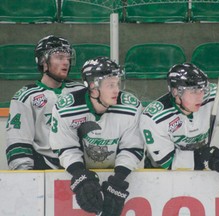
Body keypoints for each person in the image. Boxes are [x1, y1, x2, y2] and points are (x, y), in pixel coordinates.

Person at [49, 56, 144, 215]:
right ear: (93, 86)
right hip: (81, 172)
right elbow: (66, 148)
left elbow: (132, 148)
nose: (116, 90)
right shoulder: (66, 109)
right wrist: (80, 175)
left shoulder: (131, 107)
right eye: (110, 85)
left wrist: (119, 179)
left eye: (118, 83)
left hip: (123, 174)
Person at [140, 62, 219, 173]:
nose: (200, 97)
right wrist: (207, 159)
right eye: (193, 91)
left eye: (202, 90)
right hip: (159, 177)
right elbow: (168, 161)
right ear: (176, 92)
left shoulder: (214, 97)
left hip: (201, 173)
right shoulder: (153, 117)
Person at [5, 35, 84, 170]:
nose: (66, 62)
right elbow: (18, 140)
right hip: (42, 167)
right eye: (60, 57)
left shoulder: (81, 92)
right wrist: (25, 177)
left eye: (68, 57)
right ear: (43, 61)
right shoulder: (25, 96)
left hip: (80, 166)